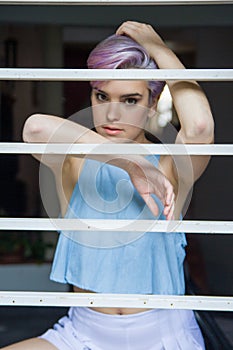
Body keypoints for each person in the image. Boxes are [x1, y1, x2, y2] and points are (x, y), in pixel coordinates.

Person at [2, 21, 214, 350]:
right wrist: (128, 162)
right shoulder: (76, 159)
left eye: (130, 100)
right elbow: (34, 129)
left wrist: (156, 46)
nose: (111, 114)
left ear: (153, 104)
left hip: (162, 334)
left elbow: (199, 125)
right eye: (102, 95)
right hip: (83, 333)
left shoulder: (169, 167)